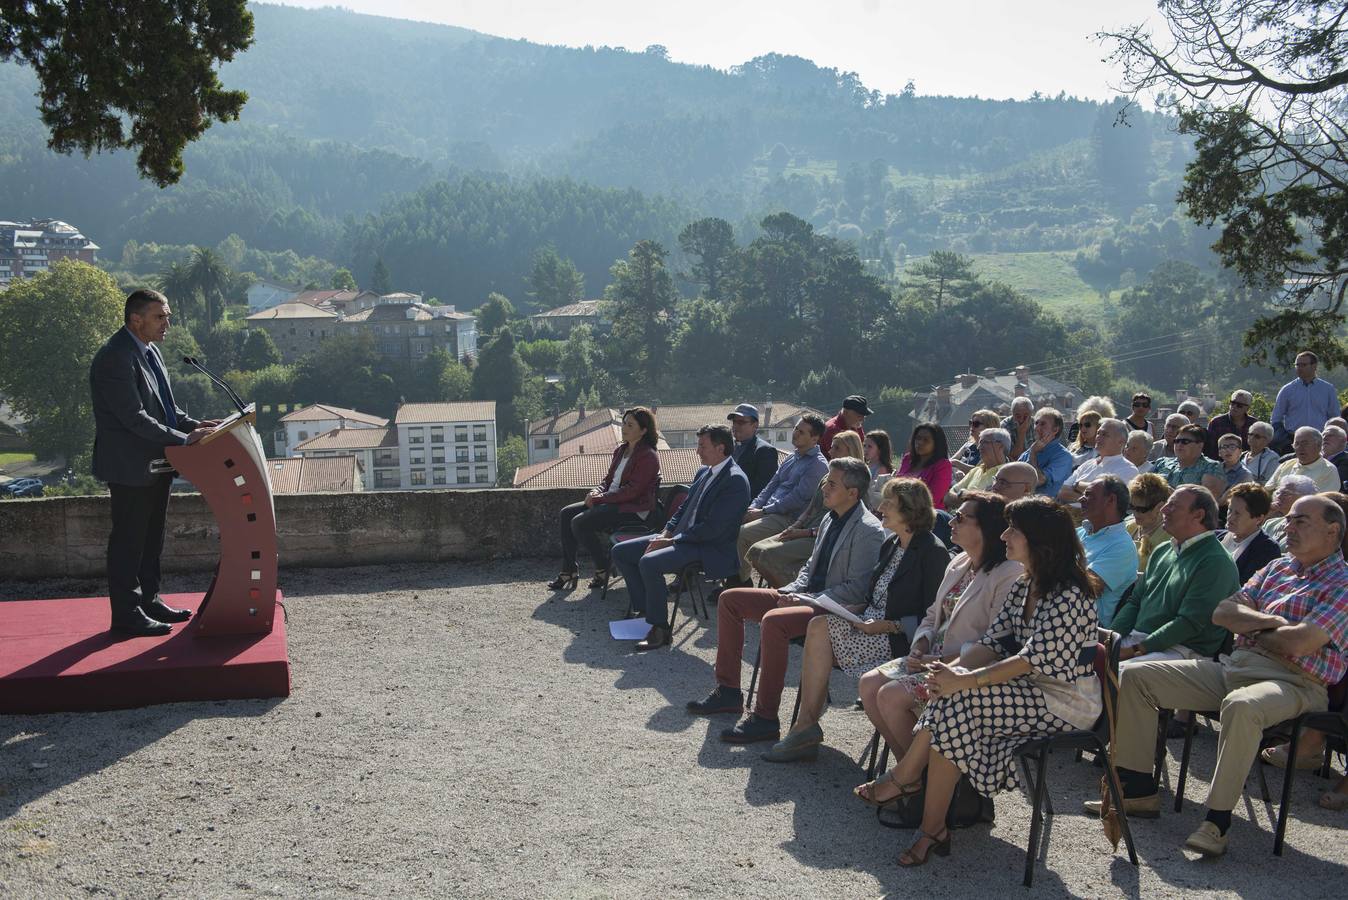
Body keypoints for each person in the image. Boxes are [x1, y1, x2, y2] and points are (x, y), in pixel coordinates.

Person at [1085, 494, 1348, 858]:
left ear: (1333, 530)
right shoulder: (1278, 568)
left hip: (1295, 682)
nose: (1287, 527)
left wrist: (1254, 625)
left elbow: (1302, 642)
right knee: (1137, 677)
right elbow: (1223, 612)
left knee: (1241, 705)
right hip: (1235, 666)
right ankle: (1137, 789)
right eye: (1287, 519)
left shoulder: (1342, 583)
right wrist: (1273, 625)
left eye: (1300, 521)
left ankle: (1217, 822)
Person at [874, 497, 1102, 868]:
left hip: (1065, 700)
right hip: (1029, 691)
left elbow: (1032, 660)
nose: (1005, 534)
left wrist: (965, 680)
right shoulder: (1026, 584)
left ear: (1039, 540)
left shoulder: (1069, 594)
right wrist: (952, 674)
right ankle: (932, 822)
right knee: (951, 699)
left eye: (1014, 529)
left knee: (957, 700)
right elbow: (993, 643)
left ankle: (910, 783)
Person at [687, 458, 885, 744]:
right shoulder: (830, 517)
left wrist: (804, 598)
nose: (824, 488)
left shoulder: (868, 529)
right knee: (730, 600)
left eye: (831, 483)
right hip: (805, 596)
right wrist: (789, 591)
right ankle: (729, 691)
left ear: (853, 493)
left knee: (774, 622)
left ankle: (766, 718)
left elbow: (856, 589)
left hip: (831, 610)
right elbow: (809, 567)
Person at [763, 478, 951, 762]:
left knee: (819, 631)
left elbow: (932, 617)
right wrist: (851, 608)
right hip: (868, 624)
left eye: (889, 503)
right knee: (819, 624)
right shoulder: (892, 543)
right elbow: (875, 594)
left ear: (910, 510)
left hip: (897, 638)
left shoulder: (932, 552)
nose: (881, 507)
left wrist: (886, 626)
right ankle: (806, 725)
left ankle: (806, 727)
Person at [854, 491, 1022, 771]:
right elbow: (933, 613)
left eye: (961, 517)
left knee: (890, 696)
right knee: (869, 684)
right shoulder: (959, 562)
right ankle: (909, 772)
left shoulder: (1008, 574)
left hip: (964, 667)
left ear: (985, 528)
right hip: (930, 658)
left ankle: (910, 778)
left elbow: (997, 639)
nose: (951, 522)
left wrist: (942, 662)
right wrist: (920, 644)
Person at [90, 289, 219, 637]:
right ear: (136, 319)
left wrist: (197, 426)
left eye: (168, 316)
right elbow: (134, 418)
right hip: (130, 466)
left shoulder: (151, 351)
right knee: (129, 541)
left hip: (158, 463)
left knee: (151, 539)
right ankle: (127, 615)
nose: (168, 323)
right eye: (160, 317)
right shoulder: (115, 357)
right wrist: (182, 440)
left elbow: (166, 409)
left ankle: (150, 600)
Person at [610, 424, 751, 651]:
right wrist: (666, 532)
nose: (697, 451)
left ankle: (660, 630)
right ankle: (646, 610)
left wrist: (672, 541)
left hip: (707, 547)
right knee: (622, 552)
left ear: (720, 448)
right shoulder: (705, 472)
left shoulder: (735, 481)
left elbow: (714, 529)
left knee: (649, 562)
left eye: (702, 446)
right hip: (682, 537)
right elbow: (683, 508)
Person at [1110, 486, 1239, 666]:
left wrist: (1135, 650)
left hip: (1182, 651)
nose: (1163, 510)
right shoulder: (1163, 550)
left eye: (1173, 506)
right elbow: (1135, 601)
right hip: (1140, 642)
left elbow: (1189, 623)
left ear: (1198, 515)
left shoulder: (1215, 561)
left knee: (1118, 673)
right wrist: (1109, 639)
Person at [549, 407, 661, 592]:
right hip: (613, 502)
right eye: (624, 423)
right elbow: (608, 481)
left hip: (633, 510)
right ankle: (569, 569)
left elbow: (632, 492)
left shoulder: (648, 456)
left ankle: (602, 568)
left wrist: (601, 499)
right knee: (567, 513)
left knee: (579, 522)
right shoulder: (621, 451)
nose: (624, 427)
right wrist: (596, 492)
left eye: (630, 425)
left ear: (643, 430)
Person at [745, 432, 864, 589]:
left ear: (850, 451)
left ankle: (792, 594)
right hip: (804, 528)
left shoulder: (857, 484)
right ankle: (786, 590)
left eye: (836, 448)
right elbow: (810, 507)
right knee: (755, 551)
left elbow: (842, 522)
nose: (830, 451)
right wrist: (796, 525)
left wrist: (805, 532)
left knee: (768, 555)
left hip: (822, 536)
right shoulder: (828, 477)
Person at [726, 414, 829, 590]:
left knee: (742, 534)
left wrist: (763, 511)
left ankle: (740, 582)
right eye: (796, 428)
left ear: (815, 438)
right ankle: (731, 577)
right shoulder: (793, 457)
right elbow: (771, 485)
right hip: (771, 512)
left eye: (801, 432)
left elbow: (796, 499)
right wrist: (754, 506)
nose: (795, 433)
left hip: (786, 518)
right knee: (729, 522)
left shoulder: (817, 465)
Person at [1077, 476, 1139, 626]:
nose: (1080, 499)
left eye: (1088, 494)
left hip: (1087, 628)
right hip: (1061, 612)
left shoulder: (1122, 546)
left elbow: (1086, 589)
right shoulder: (1079, 532)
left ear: (1111, 500)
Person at [1271, 350, 1339, 451]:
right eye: (1297, 365)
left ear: (1314, 366)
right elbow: (1276, 418)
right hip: (1293, 441)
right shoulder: (1287, 390)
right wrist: (1284, 439)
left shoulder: (1328, 389)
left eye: (1303, 365)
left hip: (1319, 440)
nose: (1299, 368)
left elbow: (1335, 417)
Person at [1059, 418, 1139, 503]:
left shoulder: (1128, 469)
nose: (1098, 437)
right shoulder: (1087, 464)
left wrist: (1077, 485)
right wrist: (1092, 498)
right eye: (1098, 433)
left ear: (1121, 442)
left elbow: (1108, 500)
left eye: (1104, 434)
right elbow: (1062, 491)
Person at [1220, 482, 1281, 584]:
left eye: (1237, 513)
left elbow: (1247, 587)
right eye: (1230, 510)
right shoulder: (1216, 536)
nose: (1230, 517)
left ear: (1258, 518)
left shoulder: (1267, 549)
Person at [1152, 424, 1226, 497]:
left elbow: (1206, 501)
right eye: (1176, 441)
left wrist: (1169, 493)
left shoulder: (1212, 467)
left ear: (1200, 445)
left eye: (1185, 441)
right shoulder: (1162, 463)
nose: (1179, 444)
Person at [945, 427, 1010, 509]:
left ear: (1000, 446)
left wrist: (963, 495)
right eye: (979, 443)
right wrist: (968, 496)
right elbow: (948, 497)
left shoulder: (1008, 474)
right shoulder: (975, 471)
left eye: (983, 442)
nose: (978, 447)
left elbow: (987, 505)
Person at [1266, 426, 1340, 494]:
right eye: (1296, 444)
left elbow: (1322, 502)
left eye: (1305, 443)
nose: (1300, 447)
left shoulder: (1328, 470)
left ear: (1318, 446)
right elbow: (1268, 490)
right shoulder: (1286, 465)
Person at [727, 403, 779, 499]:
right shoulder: (727, 447)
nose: (736, 426)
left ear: (755, 425)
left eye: (741, 422)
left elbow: (762, 489)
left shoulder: (765, 451)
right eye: (734, 422)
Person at [1019, 407, 1073, 498]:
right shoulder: (1027, 452)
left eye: (1043, 424)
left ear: (1055, 430)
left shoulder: (1063, 456)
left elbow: (1038, 480)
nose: (1037, 428)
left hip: (1046, 508)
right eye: (1036, 423)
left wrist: (1033, 454)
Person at [897, 424, 954, 509]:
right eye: (918, 438)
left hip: (926, 517)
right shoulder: (908, 459)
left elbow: (932, 499)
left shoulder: (943, 466)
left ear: (937, 443)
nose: (920, 442)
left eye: (926, 440)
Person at [1126, 473, 1173, 572]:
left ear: (1160, 507)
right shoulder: (1128, 527)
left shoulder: (1170, 536)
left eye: (1141, 509)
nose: (1134, 513)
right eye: (1132, 507)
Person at [1261, 474, 1318, 551]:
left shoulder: (1307, 530)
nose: (1279, 497)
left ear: (1304, 498)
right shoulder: (1270, 523)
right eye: (1278, 492)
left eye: (1286, 493)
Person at [1204, 390, 1255, 457]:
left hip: (1248, 464)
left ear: (1247, 408)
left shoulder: (1254, 424)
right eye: (1232, 403)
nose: (1234, 407)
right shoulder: (1216, 422)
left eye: (1239, 405)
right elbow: (1210, 450)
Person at [1068, 397, 1115, 468]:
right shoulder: (1073, 447)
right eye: (1080, 425)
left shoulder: (1106, 451)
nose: (1083, 428)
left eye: (1088, 425)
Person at [1215, 433, 1254, 500]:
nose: (1228, 450)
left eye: (1232, 447)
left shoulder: (1245, 475)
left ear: (1240, 451)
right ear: (1219, 452)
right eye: (1224, 447)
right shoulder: (1212, 469)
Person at [863, 429, 894, 510]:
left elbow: (875, 496)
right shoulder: (867, 465)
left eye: (870, 446)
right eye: (864, 445)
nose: (865, 449)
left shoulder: (881, 469)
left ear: (880, 449)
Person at [1321, 424, 1348, 490]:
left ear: (1343, 441)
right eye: (1323, 435)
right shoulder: (1314, 457)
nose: (1324, 438)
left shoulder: (1345, 460)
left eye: (1330, 435)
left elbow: (1335, 482)